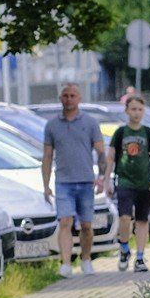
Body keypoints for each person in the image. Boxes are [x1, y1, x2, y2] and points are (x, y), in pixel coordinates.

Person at [41, 82, 108, 278]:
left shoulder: (89, 123)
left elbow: (101, 152)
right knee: (65, 222)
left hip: (86, 181)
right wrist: (46, 185)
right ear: (61, 98)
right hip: (63, 181)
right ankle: (66, 263)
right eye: (65, 95)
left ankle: (86, 259)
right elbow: (47, 156)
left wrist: (102, 178)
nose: (69, 99)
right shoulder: (52, 125)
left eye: (72, 95)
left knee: (86, 225)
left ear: (79, 99)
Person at [111, 93, 150, 273]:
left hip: (144, 183)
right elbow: (111, 158)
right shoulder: (120, 133)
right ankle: (124, 248)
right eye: (133, 109)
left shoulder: (147, 132)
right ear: (126, 110)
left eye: (140, 109)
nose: (137, 113)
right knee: (125, 218)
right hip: (125, 181)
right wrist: (106, 182)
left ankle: (140, 257)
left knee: (142, 221)